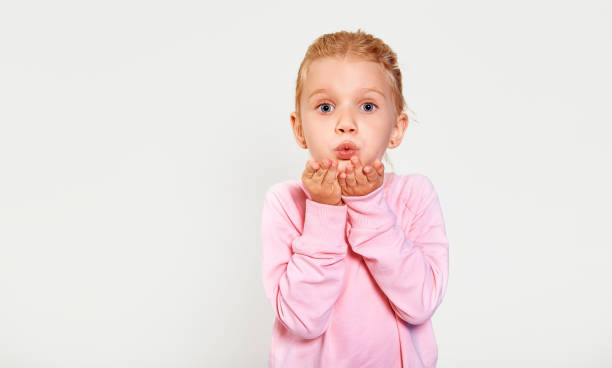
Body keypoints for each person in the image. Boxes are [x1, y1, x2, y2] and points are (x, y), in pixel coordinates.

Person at [260, 29, 449, 368]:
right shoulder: (285, 203)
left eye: (367, 106)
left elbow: (419, 304)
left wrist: (371, 207)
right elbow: (302, 320)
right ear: (300, 128)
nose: (345, 124)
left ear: (397, 128)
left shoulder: (414, 195)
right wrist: (322, 211)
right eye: (325, 106)